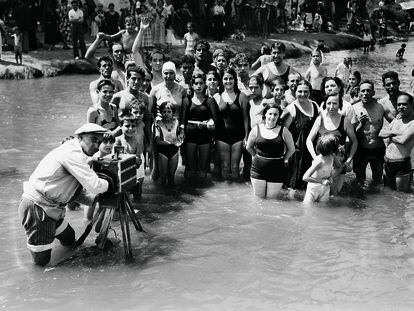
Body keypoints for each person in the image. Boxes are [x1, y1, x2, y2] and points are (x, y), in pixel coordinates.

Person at [19, 123, 111, 266]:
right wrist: (112, 184)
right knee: (42, 262)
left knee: (69, 239)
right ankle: (41, 279)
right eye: (93, 139)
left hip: (54, 205)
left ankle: (64, 261)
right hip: (38, 207)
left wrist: (98, 200)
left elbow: (75, 193)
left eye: (99, 141)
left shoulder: (79, 155)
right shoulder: (71, 154)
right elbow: (95, 185)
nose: (96, 145)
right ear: (80, 138)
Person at [306, 94, 358, 195]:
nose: (331, 106)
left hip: (338, 165)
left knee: (335, 195)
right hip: (322, 164)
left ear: (340, 105)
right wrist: (315, 157)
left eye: (335, 103)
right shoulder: (320, 119)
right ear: (325, 104)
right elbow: (309, 140)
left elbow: (354, 142)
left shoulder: (345, 120)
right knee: (318, 193)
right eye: (329, 103)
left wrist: (349, 160)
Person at [246, 103, 295, 198]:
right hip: (257, 170)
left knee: (272, 201)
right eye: (270, 113)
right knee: (258, 199)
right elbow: (249, 147)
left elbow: (291, 150)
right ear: (265, 114)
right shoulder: (256, 129)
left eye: (275, 114)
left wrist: (282, 159)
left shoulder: (284, 131)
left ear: (278, 116)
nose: (272, 117)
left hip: (277, 170)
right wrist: (256, 157)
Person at [351, 80, 394, 186]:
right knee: (360, 181)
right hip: (361, 149)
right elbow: (350, 135)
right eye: (363, 91)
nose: (366, 93)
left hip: (377, 148)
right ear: (359, 93)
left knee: (378, 181)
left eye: (368, 91)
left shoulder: (381, 107)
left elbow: (395, 123)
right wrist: (360, 124)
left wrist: (386, 133)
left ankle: (377, 201)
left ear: (373, 93)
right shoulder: (353, 108)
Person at [182, 73, 219, 179]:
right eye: (196, 83)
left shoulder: (210, 101)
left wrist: (211, 121)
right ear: (192, 85)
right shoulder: (187, 101)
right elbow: (183, 120)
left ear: (204, 85)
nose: (198, 86)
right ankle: (189, 189)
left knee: (204, 167)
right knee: (189, 166)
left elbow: (216, 119)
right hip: (190, 136)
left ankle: (203, 189)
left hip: (205, 136)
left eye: (201, 83)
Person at [216, 68, 249, 180]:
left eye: (231, 78)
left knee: (235, 167)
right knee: (225, 167)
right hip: (222, 137)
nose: (228, 81)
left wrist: (246, 137)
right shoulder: (217, 96)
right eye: (225, 78)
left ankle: (236, 193)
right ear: (222, 80)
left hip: (238, 137)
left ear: (235, 80)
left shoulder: (242, 96)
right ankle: (225, 194)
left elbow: (246, 118)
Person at [285, 79, 319, 190]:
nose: (303, 94)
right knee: (294, 185)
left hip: (312, 150)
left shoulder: (315, 106)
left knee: (309, 184)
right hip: (297, 153)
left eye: (306, 92)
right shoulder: (291, 109)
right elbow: (284, 132)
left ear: (310, 93)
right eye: (300, 91)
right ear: (295, 92)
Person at [379, 93, 414, 192]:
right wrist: (395, 133)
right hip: (388, 161)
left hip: (401, 163)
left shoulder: (413, 123)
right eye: (399, 104)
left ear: (411, 104)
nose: (401, 107)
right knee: (387, 192)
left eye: (404, 104)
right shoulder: (397, 120)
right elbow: (381, 133)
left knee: (400, 195)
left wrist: (389, 136)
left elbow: (403, 141)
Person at [115, 111, 145, 200]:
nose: (130, 128)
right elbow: (118, 156)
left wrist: (136, 160)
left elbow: (139, 158)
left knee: (137, 192)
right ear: (121, 127)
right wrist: (133, 159)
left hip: (135, 168)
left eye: (133, 126)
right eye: (127, 126)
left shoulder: (137, 141)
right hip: (122, 169)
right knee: (122, 194)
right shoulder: (118, 140)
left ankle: (138, 209)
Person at [153, 101, 184, 185]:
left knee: (172, 177)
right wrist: (171, 143)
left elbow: (180, 134)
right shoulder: (158, 124)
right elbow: (157, 141)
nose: (166, 114)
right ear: (161, 112)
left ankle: (171, 196)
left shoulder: (176, 122)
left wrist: (181, 137)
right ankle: (162, 196)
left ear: (173, 113)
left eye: (169, 112)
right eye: (164, 112)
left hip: (174, 152)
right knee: (163, 178)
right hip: (163, 152)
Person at [303, 134, 338, 203]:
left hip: (325, 188)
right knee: (307, 209)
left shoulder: (332, 156)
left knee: (323, 209)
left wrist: (331, 176)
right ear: (331, 149)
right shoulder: (319, 161)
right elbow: (305, 177)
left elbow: (339, 167)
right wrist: (321, 181)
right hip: (313, 189)